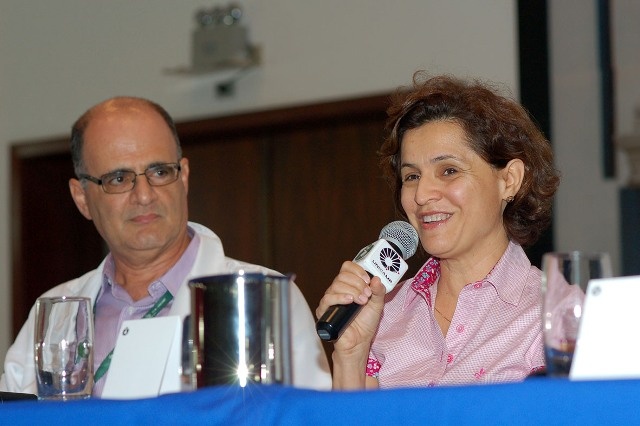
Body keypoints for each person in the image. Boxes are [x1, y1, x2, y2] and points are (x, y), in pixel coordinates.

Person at [0, 96, 332, 396]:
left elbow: (307, 417)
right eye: (118, 179)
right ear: (81, 198)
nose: (144, 195)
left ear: (183, 177)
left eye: (159, 171)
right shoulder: (54, 312)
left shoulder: (266, 299)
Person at [316, 73, 560, 389]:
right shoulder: (383, 314)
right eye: (412, 176)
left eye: (448, 171)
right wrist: (350, 354)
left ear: (509, 180)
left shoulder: (555, 313)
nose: (421, 195)